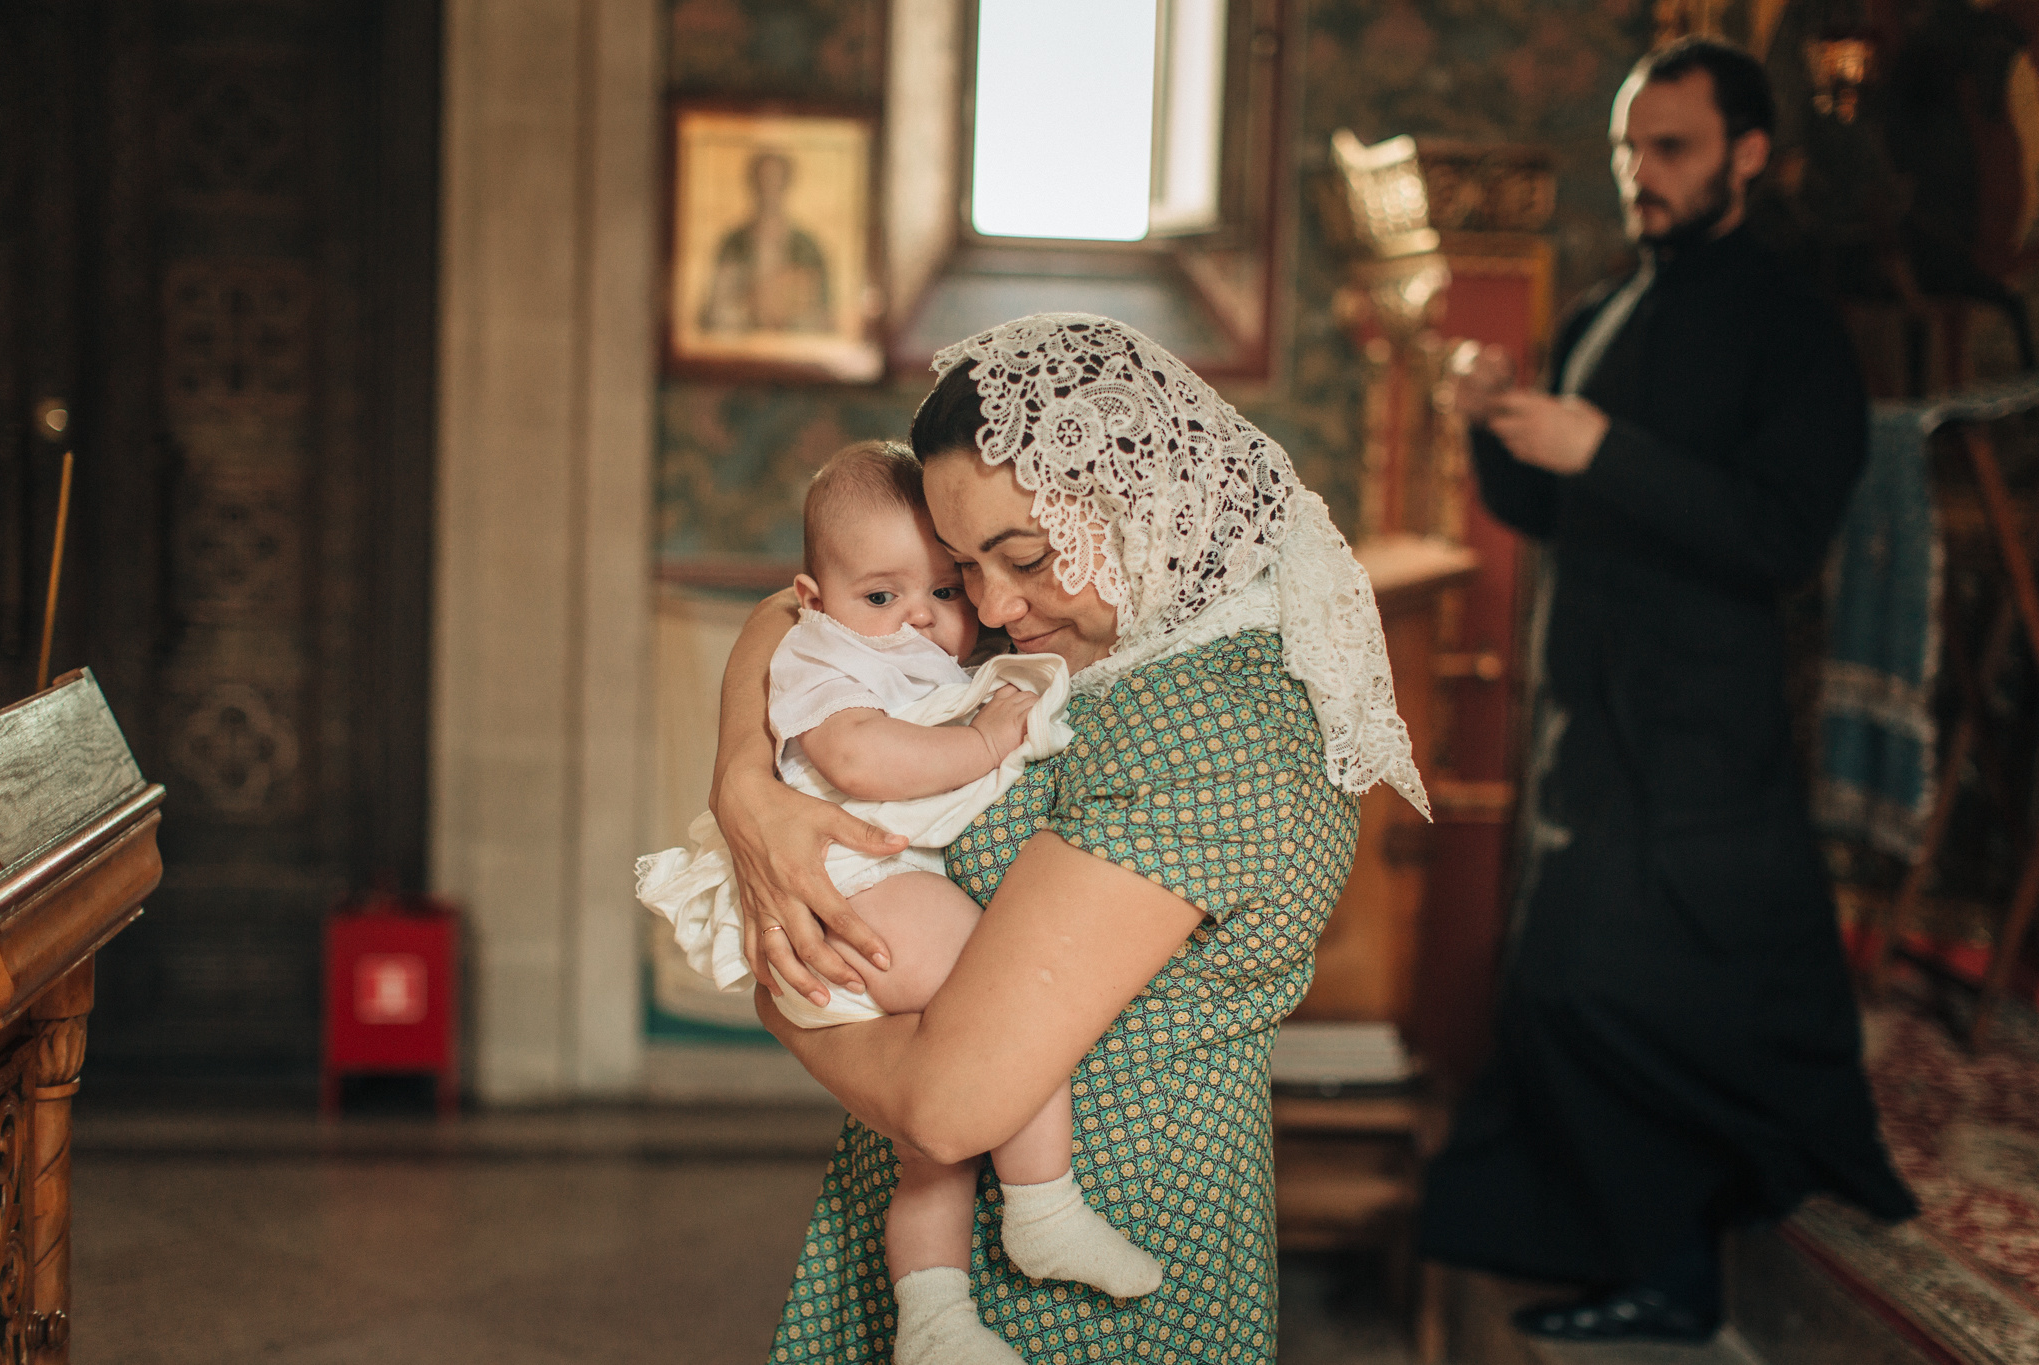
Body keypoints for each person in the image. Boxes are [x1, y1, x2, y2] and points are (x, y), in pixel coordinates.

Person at [705, 314, 1427, 1364]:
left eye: (1023, 557)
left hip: (1086, 1280)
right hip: (922, 1240)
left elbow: (949, 1110)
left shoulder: (1219, 723)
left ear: (1129, 504)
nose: (988, 605)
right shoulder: (1091, 621)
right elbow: (798, 612)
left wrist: (783, 996)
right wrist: (740, 782)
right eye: (962, 569)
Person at [1416, 37, 1916, 1343]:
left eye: (1671, 150)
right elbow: (1547, 504)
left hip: (1702, 725)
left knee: (1642, 991)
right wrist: (1496, 420)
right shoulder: (1604, 309)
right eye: (1630, 148)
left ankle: (1679, 1273)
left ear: (1749, 154)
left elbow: (1778, 536)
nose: (1639, 175)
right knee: (1577, 988)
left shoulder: (1793, 328)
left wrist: (1607, 449)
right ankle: (1655, 1265)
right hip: (1593, 713)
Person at [635, 441, 1162, 1365]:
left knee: (932, 1158)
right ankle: (1043, 1204)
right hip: (860, 887)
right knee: (1006, 1010)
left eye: (943, 592)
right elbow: (859, 759)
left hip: (864, 897)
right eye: (883, 597)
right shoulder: (828, 656)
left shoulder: (917, 641)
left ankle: (932, 1316)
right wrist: (987, 742)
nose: (921, 616)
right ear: (818, 599)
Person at [700, 150, 832, 334]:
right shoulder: (734, 244)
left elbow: (824, 317)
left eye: (776, 180)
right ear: (753, 185)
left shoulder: (806, 247)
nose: (769, 189)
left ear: (786, 185)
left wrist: (790, 308)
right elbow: (713, 314)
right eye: (763, 180)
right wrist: (748, 304)